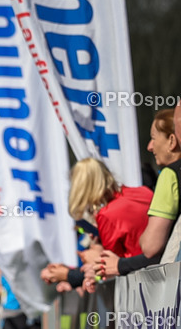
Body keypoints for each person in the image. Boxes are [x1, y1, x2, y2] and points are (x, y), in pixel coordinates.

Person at [41, 158, 152, 288]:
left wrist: (77, 271)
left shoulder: (107, 215)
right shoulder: (143, 192)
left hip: (145, 282)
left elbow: (111, 266)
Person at [98, 109, 180, 278]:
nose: (150, 146)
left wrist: (121, 263)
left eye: (154, 138)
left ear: (172, 141)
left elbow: (150, 247)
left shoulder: (169, 175)